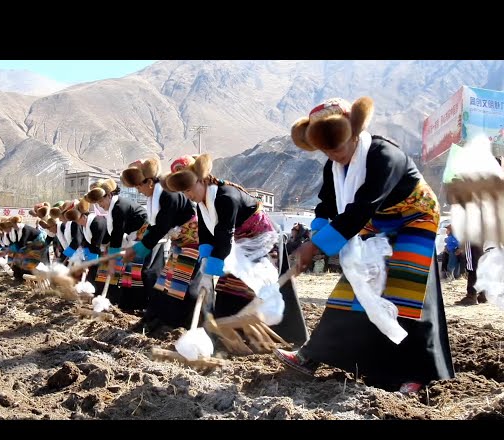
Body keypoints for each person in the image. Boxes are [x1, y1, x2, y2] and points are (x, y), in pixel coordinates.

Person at [275, 96, 455, 393]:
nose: (334, 156)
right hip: (377, 222)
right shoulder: (333, 166)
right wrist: (314, 236)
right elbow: (327, 204)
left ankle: (416, 373)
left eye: (337, 146)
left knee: (408, 291)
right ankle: (312, 355)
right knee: (354, 286)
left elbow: (360, 209)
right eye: (326, 151)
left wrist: (315, 246)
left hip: (415, 218)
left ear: (354, 131)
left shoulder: (385, 156)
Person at [164, 153, 283, 319]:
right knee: (226, 288)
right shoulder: (201, 203)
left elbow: (223, 236)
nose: (188, 195)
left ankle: (250, 326)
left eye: (189, 189)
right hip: (233, 243)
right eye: (184, 192)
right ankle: (224, 324)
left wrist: (209, 272)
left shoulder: (226, 197)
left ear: (202, 180)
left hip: (258, 241)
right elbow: (205, 234)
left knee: (246, 287)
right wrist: (205, 260)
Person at [121, 156, 206, 333]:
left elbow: (161, 227)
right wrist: (138, 243)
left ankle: (185, 326)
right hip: (179, 243)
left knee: (183, 287)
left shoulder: (168, 193)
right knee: (164, 284)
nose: (139, 191)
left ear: (150, 182)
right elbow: (154, 226)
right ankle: (154, 319)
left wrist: (140, 247)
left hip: (193, 243)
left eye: (139, 186)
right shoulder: (155, 196)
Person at [85, 178, 149, 310]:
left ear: (109, 195)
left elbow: (117, 234)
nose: (100, 205)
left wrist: (112, 262)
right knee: (128, 274)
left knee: (135, 273)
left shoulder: (119, 207)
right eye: (97, 202)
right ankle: (128, 305)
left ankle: (136, 306)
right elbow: (114, 234)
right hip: (134, 239)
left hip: (145, 238)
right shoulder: (114, 208)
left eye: (101, 201)